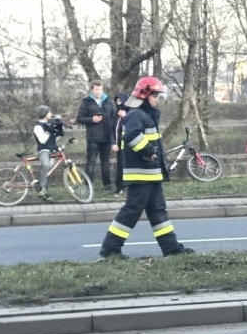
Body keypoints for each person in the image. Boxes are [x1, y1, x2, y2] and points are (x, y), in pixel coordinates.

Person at [98, 76, 193, 259]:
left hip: (151, 175)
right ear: (144, 95)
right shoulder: (137, 115)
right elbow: (131, 136)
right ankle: (110, 250)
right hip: (142, 175)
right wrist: (149, 152)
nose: (157, 99)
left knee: (158, 211)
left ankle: (171, 249)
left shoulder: (144, 115)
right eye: (155, 95)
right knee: (131, 211)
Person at [76, 80, 117, 194]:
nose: (98, 92)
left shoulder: (108, 101)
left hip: (107, 137)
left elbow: (114, 117)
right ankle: (88, 185)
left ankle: (107, 185)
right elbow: (79, 118)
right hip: (93, 137)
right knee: (91, 162)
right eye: (96, 89)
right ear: (92, 90)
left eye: (100, 89)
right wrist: (91, 119)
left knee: (105, 162)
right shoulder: (86, 102)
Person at [32, 105, 64, 200]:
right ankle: (41, 187)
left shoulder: (50, 124)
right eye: (49, 112)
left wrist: (59, 132)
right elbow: (42, 140)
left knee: (47, 172)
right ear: (45, 114)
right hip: (44, 150)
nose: (51, 114)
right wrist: (49, 131)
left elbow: (54, 138)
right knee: (45, 165)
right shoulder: (38, 126)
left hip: (52, 150)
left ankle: (44, 192)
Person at [112, 92, 129, 197]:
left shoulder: (130, 112)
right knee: (120, 166)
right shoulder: (116, 114)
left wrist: (125, 117)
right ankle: (120, 187)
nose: (118, 103)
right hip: (119, 144)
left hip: (130, 144)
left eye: (120, 100)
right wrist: (113, 143)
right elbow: (112, 129)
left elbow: (132, 126)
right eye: (117, 101)